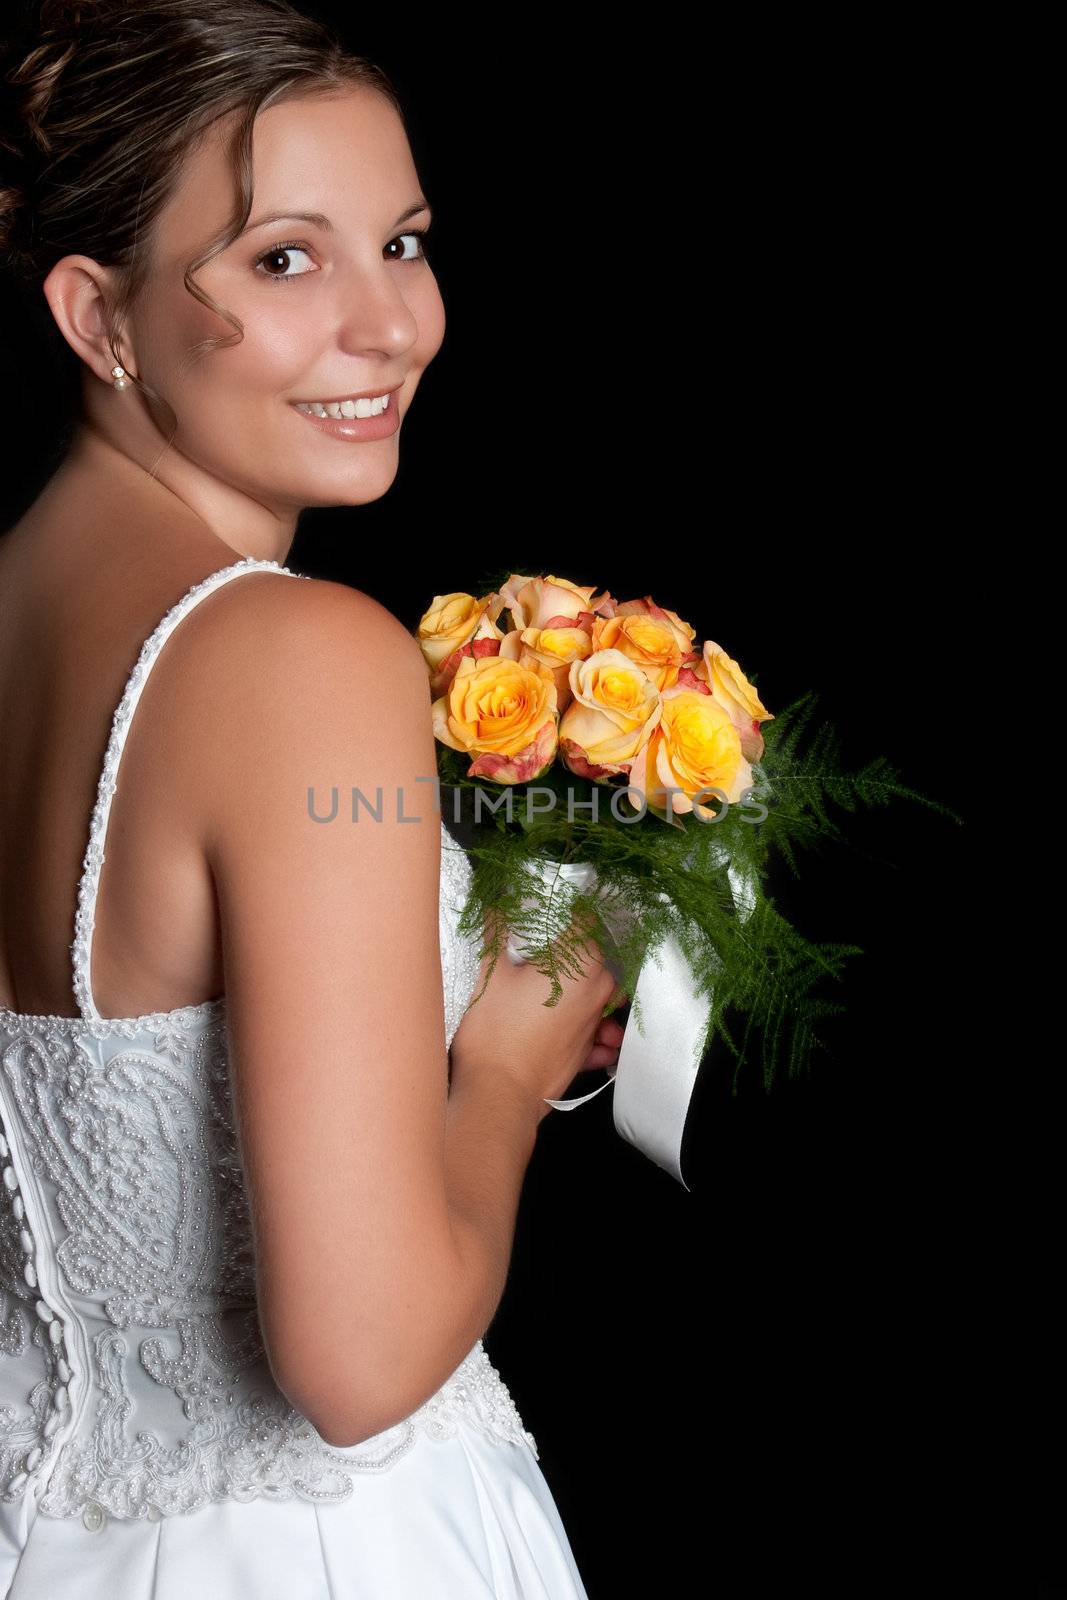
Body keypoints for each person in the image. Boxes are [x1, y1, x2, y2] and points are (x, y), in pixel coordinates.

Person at [0, 2, 625, 1593]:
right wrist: (508, 1056)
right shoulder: (296, 656)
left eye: (403, 242)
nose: (392, 325)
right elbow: (356, 1360)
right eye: (285, 258)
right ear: (100, 316)